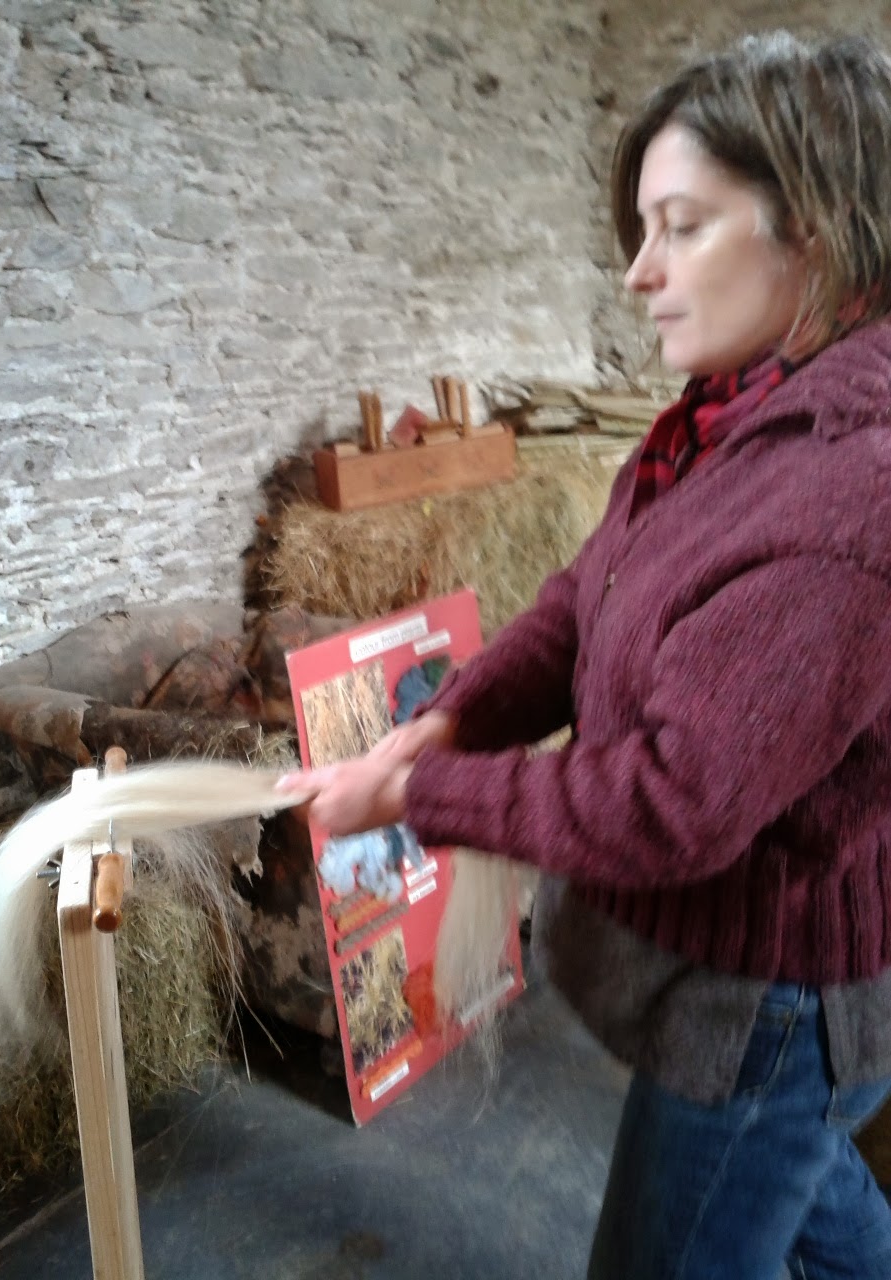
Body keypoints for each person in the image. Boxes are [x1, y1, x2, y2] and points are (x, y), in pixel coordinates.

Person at [278, 31, 891, 1280]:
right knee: (817, 1193)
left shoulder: (850, 493)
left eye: (682, 226)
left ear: (814, 236)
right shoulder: (728, 418)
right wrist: (455, 718)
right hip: (737, 990)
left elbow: (674, 802)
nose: (636, 273)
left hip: (765, 1007)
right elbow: (588, 592)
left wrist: (412, 792)